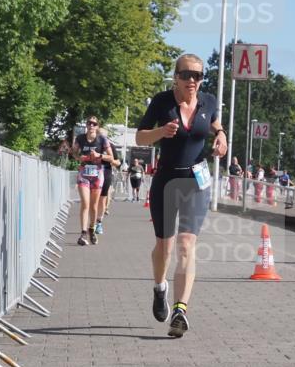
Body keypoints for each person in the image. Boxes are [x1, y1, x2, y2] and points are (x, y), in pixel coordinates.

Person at [136, 53, 227, 338]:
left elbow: (213, 121)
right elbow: (140, 137)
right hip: (166, 180)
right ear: (175, 76)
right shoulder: (162, 102)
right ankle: (159, 287)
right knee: (165, 247)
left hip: (196, 181)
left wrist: (221, 136)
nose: (192, 80)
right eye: (186, 75)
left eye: (198, 76)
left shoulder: (208, 101)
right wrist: (161, 131)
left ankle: (180, 310)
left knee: (187, 245)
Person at [72, 116, 113, 246]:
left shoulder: (102, 140)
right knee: (85, 203)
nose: (91, 125)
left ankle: (92, 230)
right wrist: (80, 158)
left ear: (97, 126)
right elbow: (74, 153)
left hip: (97, 174)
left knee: (94, 206)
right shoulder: (80, 138)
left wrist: (99, 155)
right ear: (86, 125)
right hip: (84, 173)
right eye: (89, 123)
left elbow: (111, 157)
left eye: (94, 124)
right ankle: (83, 233)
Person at [94, 129, 120, 232]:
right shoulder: (92, 145)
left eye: (103, 137)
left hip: (106, 173)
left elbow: (118, 162)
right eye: (99, 136)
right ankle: (92, 222)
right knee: (93, 200)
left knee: (102, 199)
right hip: (94, 173)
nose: (101, 138)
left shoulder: (111, 147)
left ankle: (99, 222)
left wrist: (112, 160)